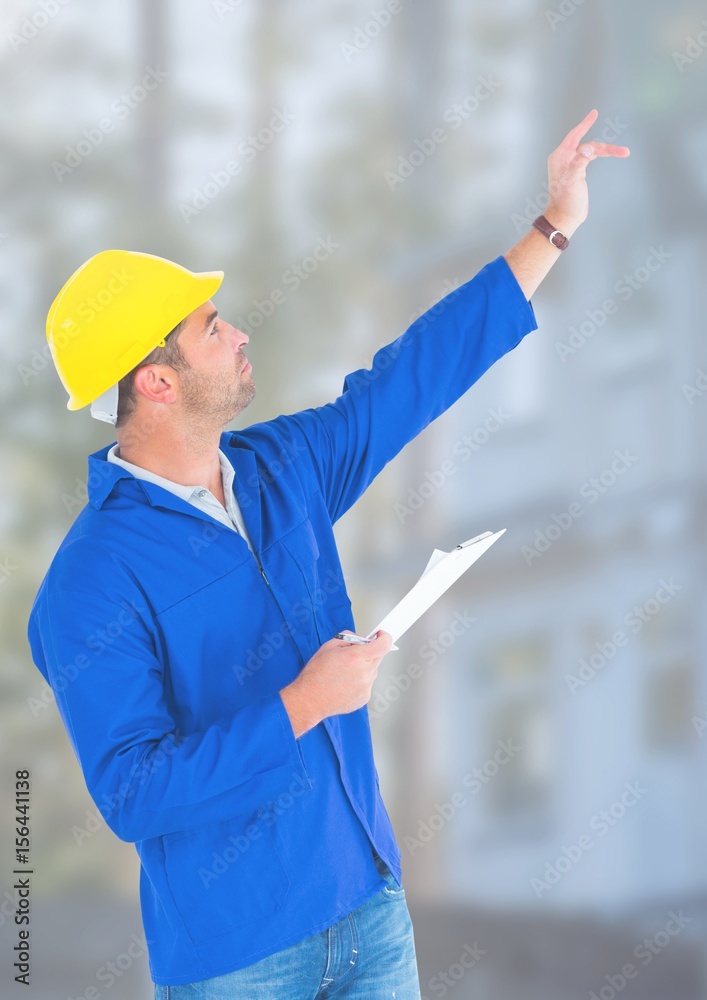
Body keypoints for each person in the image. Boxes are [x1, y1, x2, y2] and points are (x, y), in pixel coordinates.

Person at [27, 110, 629, 999]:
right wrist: (302, 703)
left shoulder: (282, 469)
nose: (238, 337)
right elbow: (135, 792)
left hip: (371, 910)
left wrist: (552, 226)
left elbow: (409, 378)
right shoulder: (88, 585)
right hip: (239, 961)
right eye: (211, 329)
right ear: (154, 383)